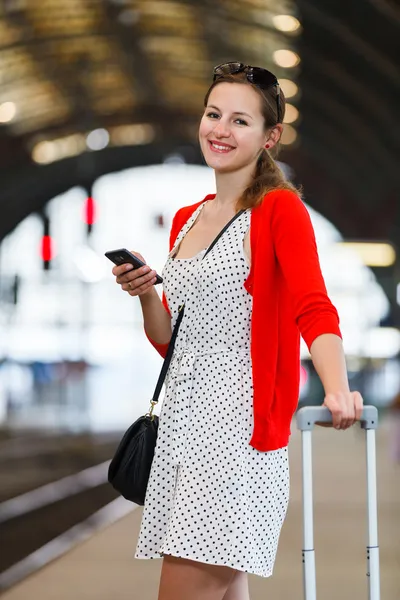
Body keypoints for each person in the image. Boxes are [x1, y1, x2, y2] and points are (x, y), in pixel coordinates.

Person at [112, 62, 364, 600]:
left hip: (236, 437)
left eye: (240, 121)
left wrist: (338, 388)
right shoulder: (186, 218)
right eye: (213, 114)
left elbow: (314, 308)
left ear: (270, 136)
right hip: (182, 428)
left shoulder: (280, 211)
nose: (220, 130)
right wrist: (145, 294)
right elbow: (171, 340)